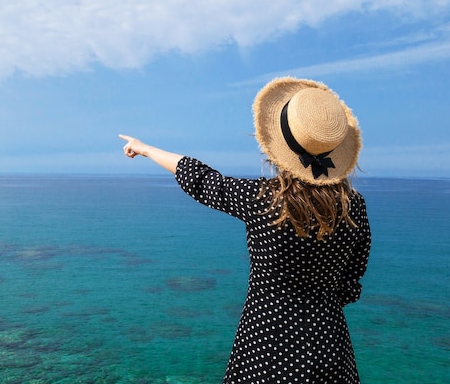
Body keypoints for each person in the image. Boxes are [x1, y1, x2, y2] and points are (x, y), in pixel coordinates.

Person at [119, 76, 372, 383]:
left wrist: (145, 149)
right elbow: (351, 282)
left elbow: (201, 179)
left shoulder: (263, 200)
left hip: (264, 347)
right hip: (328, 347)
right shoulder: (353, 207)